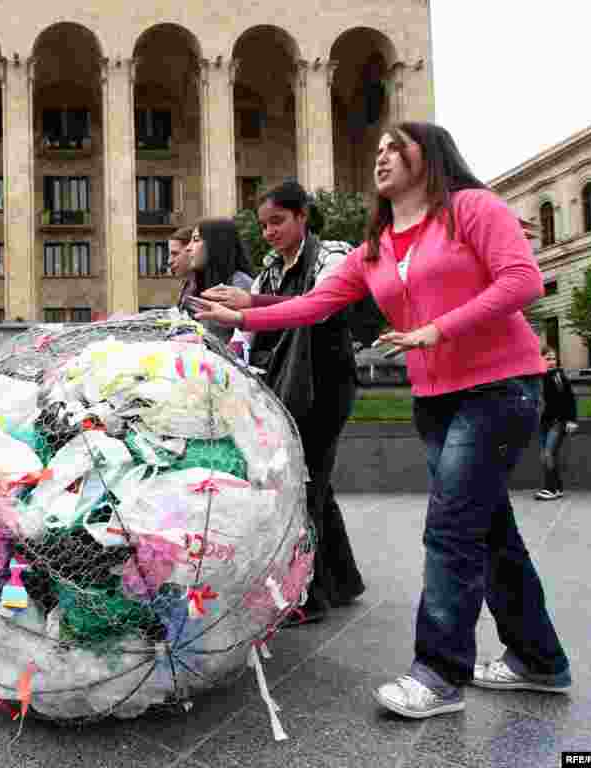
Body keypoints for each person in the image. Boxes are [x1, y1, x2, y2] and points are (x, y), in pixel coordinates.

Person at [189, 121, 571, 719]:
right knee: (489, 529)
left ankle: (438, 673)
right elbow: (315, 303)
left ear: (432, 155)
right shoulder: (380, 242)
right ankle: (538, 659)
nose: (383, 157)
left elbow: (521, 279)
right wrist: (248, 312)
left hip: (498, 388)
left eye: (397, 146)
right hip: (436, 397)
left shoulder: (471, 208)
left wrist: (437, 329)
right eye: (379, 150)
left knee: (450, 528)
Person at [202, 181, 365, 623]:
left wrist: (250, 303)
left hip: (328, 384)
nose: (269, 232)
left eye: (278, 221)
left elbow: (322, 306)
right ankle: (343, 580)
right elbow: (250, 332)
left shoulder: (333, 253)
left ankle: (305, 596)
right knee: (316, 479)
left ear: (303, 216)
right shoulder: (271, 268)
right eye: (264, 225)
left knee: (304, 480)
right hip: (289, 383)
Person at [177, 218, 255, 345]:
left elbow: (243, 344)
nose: (188, 248)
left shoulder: (240, 283)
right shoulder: (201, 284)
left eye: (196, 240)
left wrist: (202, 341)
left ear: (216, 244)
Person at [536, 345, 577, 501]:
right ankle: (557, 488)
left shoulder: (557, 375)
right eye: (548, 359)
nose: (552, 362)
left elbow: (569, 398)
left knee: (548, 454)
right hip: (545, 422)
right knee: (547, 455)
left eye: (553, 358)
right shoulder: (539, 377)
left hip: (558, 422)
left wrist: (571, 420)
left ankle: (550, 489)